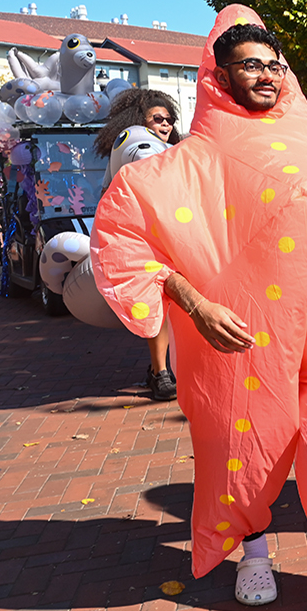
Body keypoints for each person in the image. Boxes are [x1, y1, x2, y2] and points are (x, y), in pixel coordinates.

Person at [91, 9, 307, 611]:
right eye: (250, 66)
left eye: (273, 65)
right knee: (242, 443)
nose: (266, 75)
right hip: (241, 335)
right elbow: (123, 235)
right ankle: (255, 555)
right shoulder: (185, 164)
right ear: (220, 75)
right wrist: (191, 299)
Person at [92, 88, 184, 401]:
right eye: (158, 118)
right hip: (138, 242)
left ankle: (165, 369)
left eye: (170, 119)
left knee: (171, 305)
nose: (167, 124)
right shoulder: (136, 144)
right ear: (138, 121)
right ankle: (161, 374)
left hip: (167, 237)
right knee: (158, 302)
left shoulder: (168, 150)